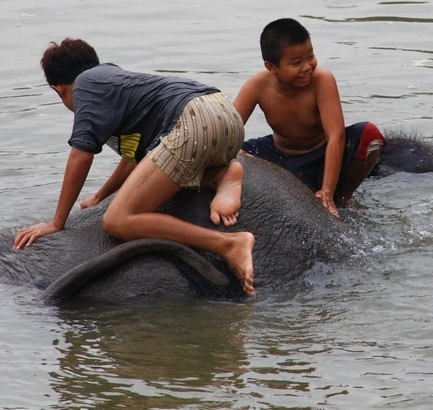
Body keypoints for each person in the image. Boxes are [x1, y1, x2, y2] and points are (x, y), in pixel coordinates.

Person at [13, 39, 255, 295]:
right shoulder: (112, 78)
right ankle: (219, 175)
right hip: (223, 112)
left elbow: (80, 156)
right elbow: (135, 158)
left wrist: (57, 222)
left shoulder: (84, 86)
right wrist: (99, 196)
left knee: (118, 220)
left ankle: (227, 244)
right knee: (151, 178)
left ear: (59, 90)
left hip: (192, 121)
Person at [233, 18, 385, 218]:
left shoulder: (322, 80)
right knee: (234, 151)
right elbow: (228, 130)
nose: (307, 67)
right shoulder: (258, 85)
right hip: (280, 154)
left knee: (370, 135)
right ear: (271, 67)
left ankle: (342, 198)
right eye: (296, 63)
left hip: (321, 154)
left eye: (311, 56)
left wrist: (328, 191)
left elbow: (335, 136)